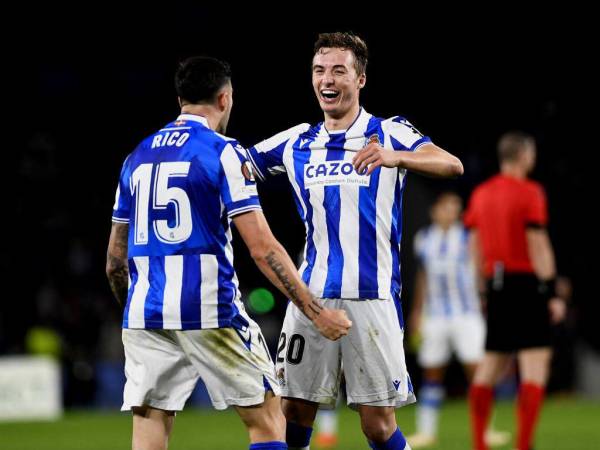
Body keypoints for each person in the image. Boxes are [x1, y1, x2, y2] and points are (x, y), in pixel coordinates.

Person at [105, 56, 351, 450]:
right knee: (268, 419)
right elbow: (263, 247)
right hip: (207, 308)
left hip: (144, 314)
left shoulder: (136, 157)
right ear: (225, 98)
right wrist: (316, 311)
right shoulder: (222, 152)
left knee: (150, 422)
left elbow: (115, 261)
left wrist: (133, 307)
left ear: (180, 98)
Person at [245, 32, 463, 450]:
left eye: (338, 70)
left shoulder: (389, 131)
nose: (327, 79)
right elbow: (236, 167)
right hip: (310, 296)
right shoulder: (296, 141)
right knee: (291, 412)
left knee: (378, 425)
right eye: (319, 70)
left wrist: (396, 157)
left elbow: (450, 164)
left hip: (373, 296)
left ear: (360, 79)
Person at [464, 131, 566, 450]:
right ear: (523, 155)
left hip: (495, 285)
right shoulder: (530, 192)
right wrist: (551, 291)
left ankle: (479, 443)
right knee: (535, 366)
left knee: (489, 367)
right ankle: (524, 444)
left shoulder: (481, 194)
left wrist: (481, 292)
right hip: (526, 284)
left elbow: (474, 248)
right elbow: (538, 244)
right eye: (531, 153)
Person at [406, 192, 509, 448]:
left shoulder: (468, 237)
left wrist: (489, 302)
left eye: (456, 207)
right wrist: (417, 312)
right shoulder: (424, 239)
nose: (452, 212)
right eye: (447, 207)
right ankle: (426, 431)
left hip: (467, 314)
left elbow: (482, 270)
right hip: (436, 316)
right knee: (432, 373)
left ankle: (486, 430)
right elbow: (423, 278)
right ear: (435, 211)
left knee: (478, 373)